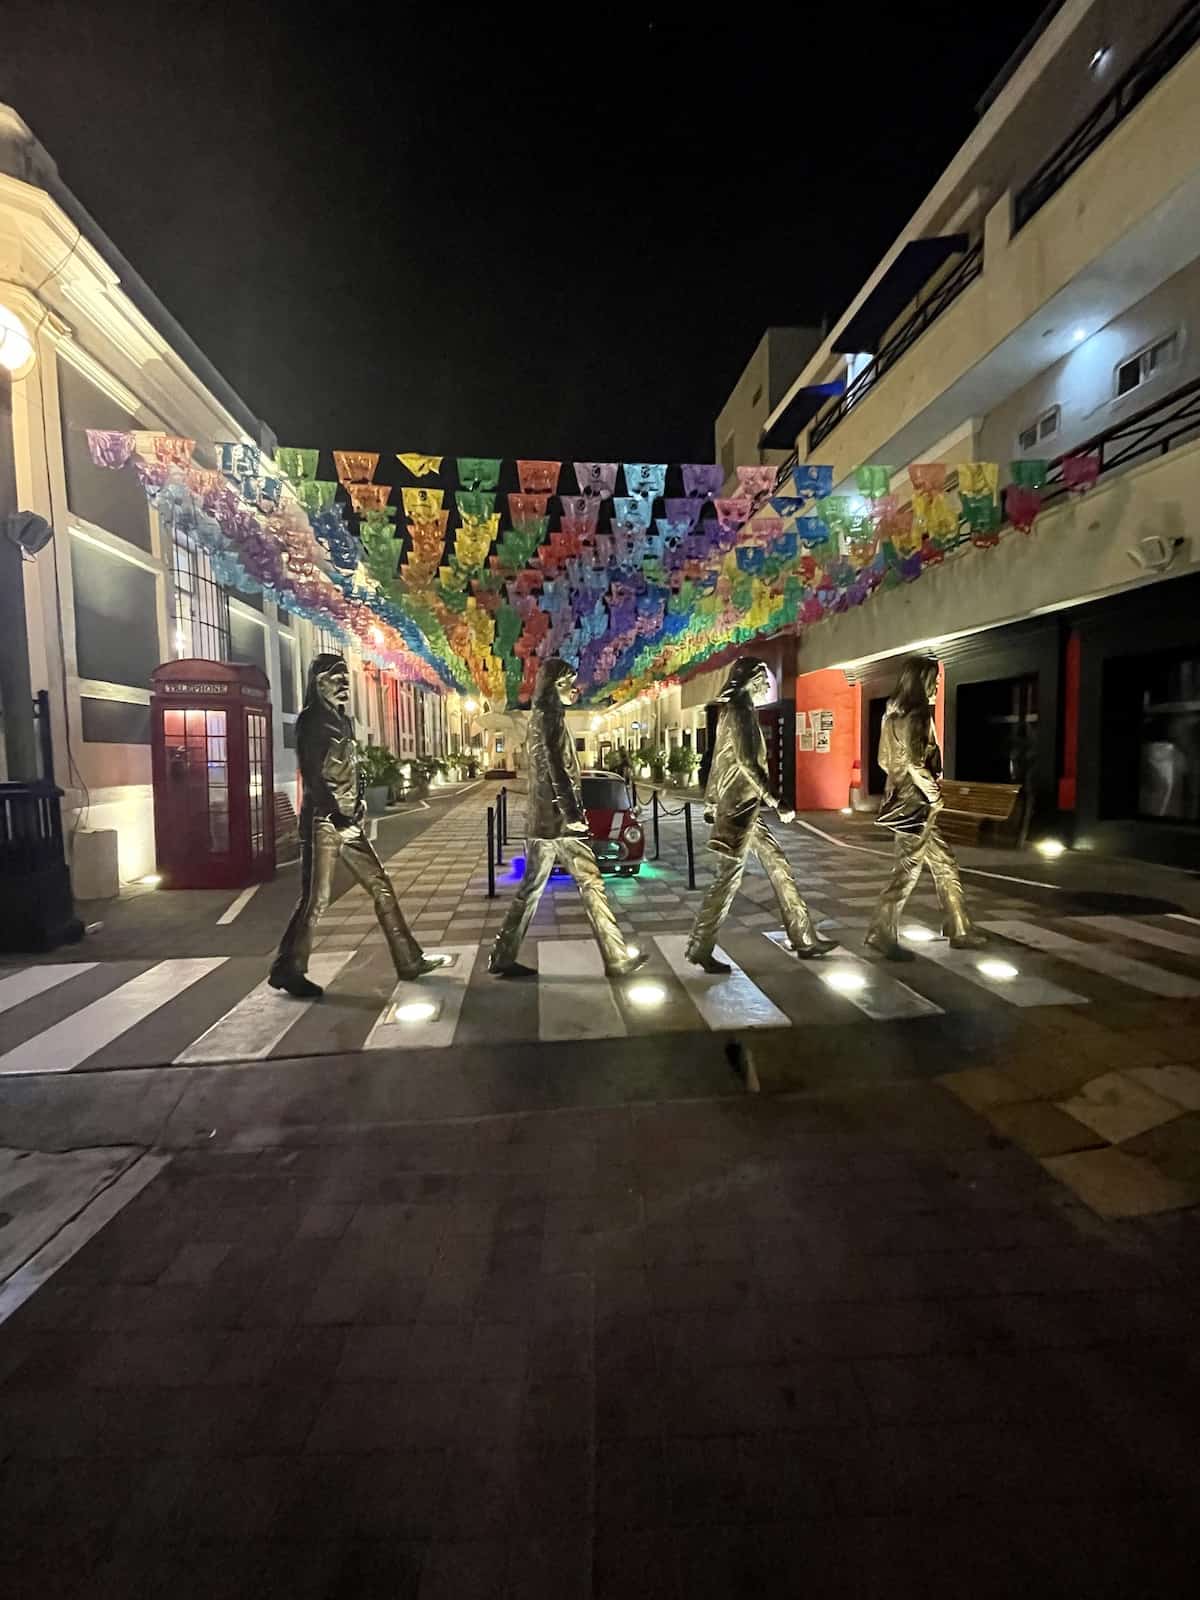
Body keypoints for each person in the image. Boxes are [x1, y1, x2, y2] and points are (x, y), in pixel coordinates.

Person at [270, 653, 444, 998]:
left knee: (381, 886)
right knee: (315, 900)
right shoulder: (311, 721)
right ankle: (287, 968)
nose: (345, 683)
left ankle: (409, 959)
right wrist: (336, 817)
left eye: (346, 677)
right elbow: (313, 777)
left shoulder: (343, 722)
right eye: (337, 677)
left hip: (348, 822)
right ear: (319, 682)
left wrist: (359, 801)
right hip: (323, 822)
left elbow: (354, 768)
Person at [490, 657, 649, 979]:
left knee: (530, 889)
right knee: (591, 883)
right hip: (560, 823)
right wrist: (573, 812)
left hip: (541, 821)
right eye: (566, 683)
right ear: (553, 686)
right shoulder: (550, 717)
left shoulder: (540, 717)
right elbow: (555, 767)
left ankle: (502, 955)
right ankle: (616, 958)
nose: (573, 689)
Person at [685, 656, 836, 974]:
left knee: (778, 864)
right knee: (727, 880)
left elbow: (718, 761)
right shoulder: (739, 710)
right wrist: (776, 799)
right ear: (752, 679)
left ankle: (804, 937)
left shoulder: (736, 710)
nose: (768, 684)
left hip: (744, 808)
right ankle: (701, 945)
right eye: (764, 678)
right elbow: (745, 762)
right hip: (740, 810)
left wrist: (712, 800)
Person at [865, 654, 987, 960]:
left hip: (903, 801)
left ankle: (959, 927)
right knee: (906, 872)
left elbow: (883, 760)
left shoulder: (890, 715)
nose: (937, 684)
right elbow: (916, 763)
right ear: (921, 680)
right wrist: (934, 795)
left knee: (945, 864)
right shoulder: (918, 715)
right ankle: (881, 932)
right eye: (934, 678)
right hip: (916, 807)